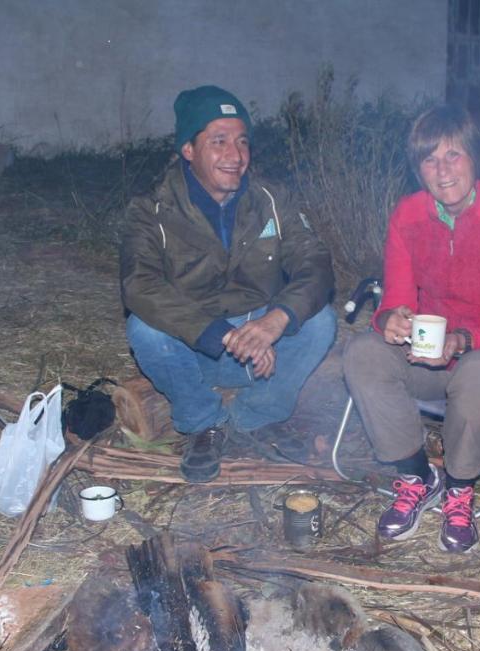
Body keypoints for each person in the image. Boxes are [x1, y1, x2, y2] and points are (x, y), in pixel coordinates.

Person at [342, 105, 480, 553]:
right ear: (418, 169)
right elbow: (394, 299)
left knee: (479, 371)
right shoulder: (408, 215)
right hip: (428, 355)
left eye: (454, 156)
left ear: (476, 159)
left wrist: (460, 342)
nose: (443, 170)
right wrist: (388, 320)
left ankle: (459, 490)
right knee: (363, 353)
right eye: (430, 159)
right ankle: (416, 478)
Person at [121, 85, 336, 483]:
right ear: (188, 149)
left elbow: (316, 263)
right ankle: (205, 424)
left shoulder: (271, 199)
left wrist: (276, 321)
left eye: (241, 142)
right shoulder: (151, 210)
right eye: (218, 141)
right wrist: (222, 334)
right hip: (195, 348)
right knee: (145, 328)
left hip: (260, 347)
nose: (235, 156)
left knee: (320, 321)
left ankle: (254, 419)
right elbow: (140, 285)